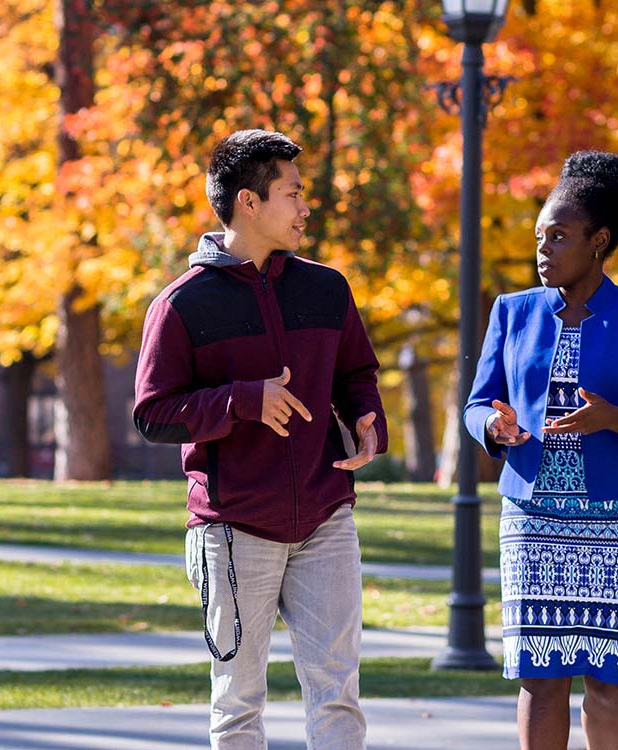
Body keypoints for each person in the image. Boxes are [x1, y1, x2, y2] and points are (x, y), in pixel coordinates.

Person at [132, 128, 387, 750]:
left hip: (327, 515)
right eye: (293, 194)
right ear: (249, 202)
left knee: (338, 694)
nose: (306, 208)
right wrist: (245, 401)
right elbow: (152, 413)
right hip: (233, 526)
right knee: (239, 706)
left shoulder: (327, 288)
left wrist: (365, 417)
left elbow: (357, 372)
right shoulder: (182, 304)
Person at [465, 151, 618, 750]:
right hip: (533, 515)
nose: (543, 251)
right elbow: (477, 403)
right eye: (540, 237)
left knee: (609, 680)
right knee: (540, 678)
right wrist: (495, 428)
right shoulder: (512, 312)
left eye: (560, 237)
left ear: (598, 240)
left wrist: (614, 419)